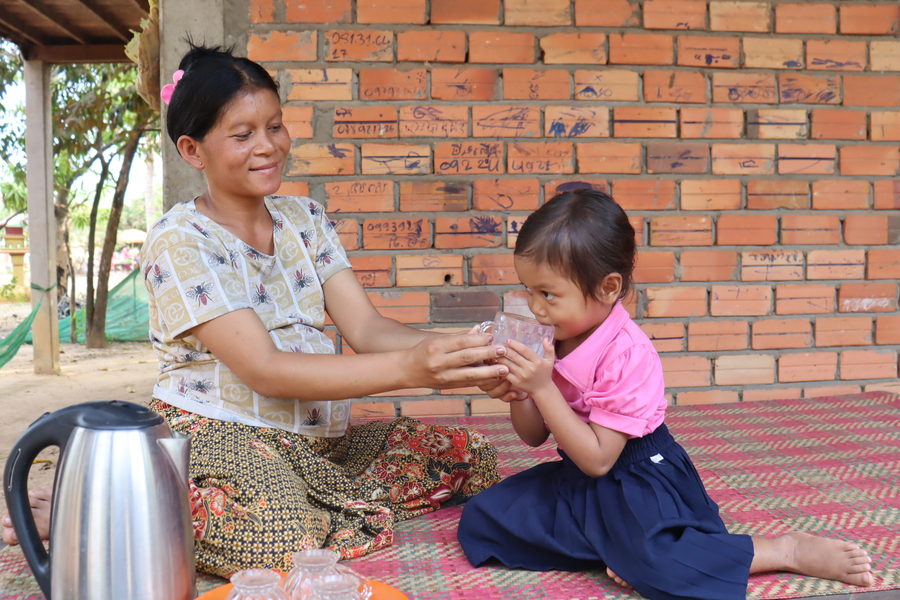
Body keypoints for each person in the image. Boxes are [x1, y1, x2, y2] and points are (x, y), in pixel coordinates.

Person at [1, 43, 509, 577]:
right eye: (243, 135)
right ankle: (106, 505)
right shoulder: (180, 241)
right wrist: (413, 368)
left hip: (319, 444)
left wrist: (464, 353)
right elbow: (264, 370)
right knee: (283, 538)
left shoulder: (305, 219)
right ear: (193, 151)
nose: (267, 146)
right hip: (219, 436)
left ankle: (239, 501)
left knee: (464, 456)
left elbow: (366, 328)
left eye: (276, 126)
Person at [458, 189, 874, 600]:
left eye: (547, 294)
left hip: (638, 478)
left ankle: (783, 549)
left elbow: (600, 460)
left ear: (607, 288)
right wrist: (519, 392)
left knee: (664, 569)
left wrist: (542, 386)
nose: (535, 306)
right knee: (484, 518)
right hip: (579, 478)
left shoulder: (628, 353)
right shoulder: (554, 336)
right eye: (527, 290)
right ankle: (618, 547)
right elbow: (534, 437)